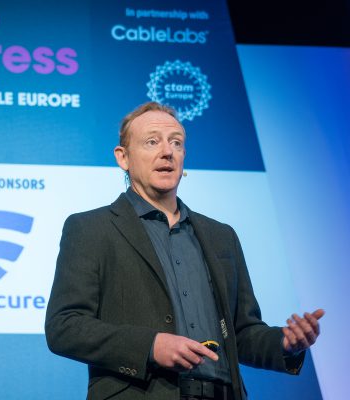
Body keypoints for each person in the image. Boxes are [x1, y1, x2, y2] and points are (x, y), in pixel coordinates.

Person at [44, 102, 324, 400]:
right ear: (123, 157)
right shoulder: (92, 228)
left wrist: (284, 343)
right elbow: (65, 326)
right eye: (152, 141)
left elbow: (240, 334)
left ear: (183, 156)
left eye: (176, 142)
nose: (167, 151)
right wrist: (150, 346)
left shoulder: (221, 236)